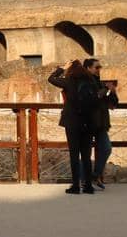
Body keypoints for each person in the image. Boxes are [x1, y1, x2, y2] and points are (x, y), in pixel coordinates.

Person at [49, 60, 100, 194]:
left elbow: (51, 79)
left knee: (74, 154)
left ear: (70, 70)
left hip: (72, 122)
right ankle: (88, 186)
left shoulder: (69, 81)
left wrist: (62, 68)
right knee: (86, 155)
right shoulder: (91, 81)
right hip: (88, 122)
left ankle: (76, 186)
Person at [86, 58, 119, 191]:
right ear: (88, 68)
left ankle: (95, 175)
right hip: (87, 123)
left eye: (100, 67)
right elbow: (93, 98)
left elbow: (113, 105)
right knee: (85, 153)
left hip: (100, 123)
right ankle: (85, 179)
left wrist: (113, 91)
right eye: (96, 67)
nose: (99, 70)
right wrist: (106, 88)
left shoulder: (99, 83)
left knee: (106, 148)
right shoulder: (85, 82)